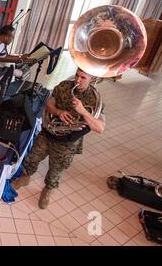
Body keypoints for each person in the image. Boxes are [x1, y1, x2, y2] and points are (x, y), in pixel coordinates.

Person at [10, 68, 106, 209]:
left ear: (92, 78)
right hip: (49, 132)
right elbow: (49, 102)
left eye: (83, 78)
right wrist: (58, 111)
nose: (77, 80)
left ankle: (48, 190)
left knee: (56, 168)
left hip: (68, 142)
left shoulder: (95, 98)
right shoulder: (65, 86)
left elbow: (99, 128)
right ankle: (25, 177)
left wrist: (83, 111)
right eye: (77, 75)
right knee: (33, 157)